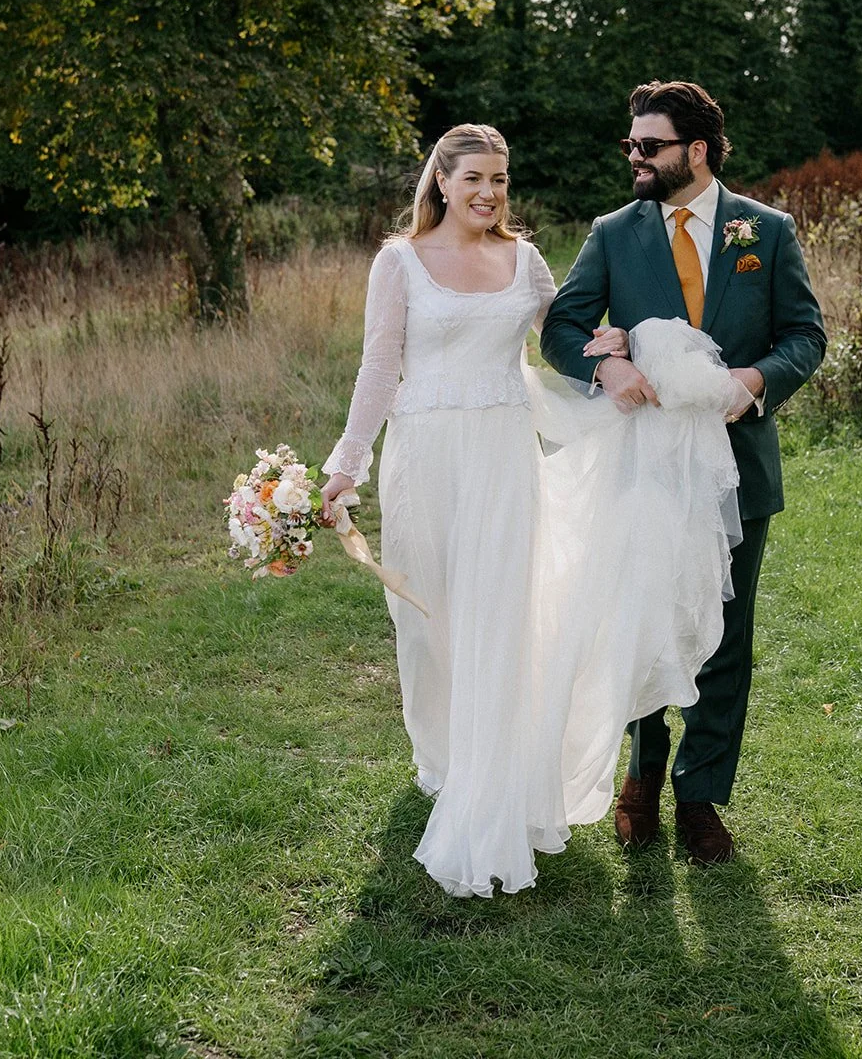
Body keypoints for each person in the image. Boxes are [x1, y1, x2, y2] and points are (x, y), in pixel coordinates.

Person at [320, 121, 745, 898]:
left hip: (502, 461)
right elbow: (378, 367)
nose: (488, 194)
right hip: (423, 461)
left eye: (499, 180)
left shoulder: (524, 259)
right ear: (440, 182)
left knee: (498, 617)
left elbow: (565, 331)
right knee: (429, 621)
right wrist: (346, 465)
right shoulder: (399, 261)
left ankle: (493, 782)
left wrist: (613, 349)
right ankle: (446, 757)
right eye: (473, 179)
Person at [541, 79, 826, 864]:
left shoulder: (764, 231)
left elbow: (805, 335)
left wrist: (755, 380)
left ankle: (700, 795)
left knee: (725, 636)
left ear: (695, 150)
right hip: (644, 463)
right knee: (642, 621)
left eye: (648, 145)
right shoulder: (613, 234)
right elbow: (562, 327)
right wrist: (605, 368)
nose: (633, 157)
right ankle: (641, 776)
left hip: (737, 469)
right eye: (629, 144)